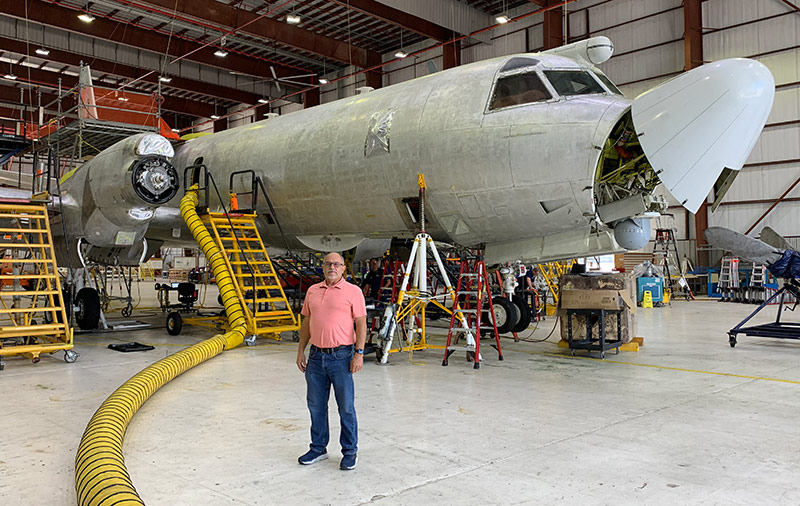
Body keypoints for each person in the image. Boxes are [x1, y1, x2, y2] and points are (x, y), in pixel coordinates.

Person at [296, 252, 367, 471]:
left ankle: (350, 451)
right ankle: (318, 448)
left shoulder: (353, 292)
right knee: (316, 406)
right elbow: (307, 322)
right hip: (316, 357)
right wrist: (301, 351)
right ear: (323, 267)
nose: (332, 267)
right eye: (328, 264)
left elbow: (361, 324)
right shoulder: (312, 291)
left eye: (336, 264)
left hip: (342, 357)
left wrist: (359, 353)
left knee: (345, 407)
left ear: (343, 268)